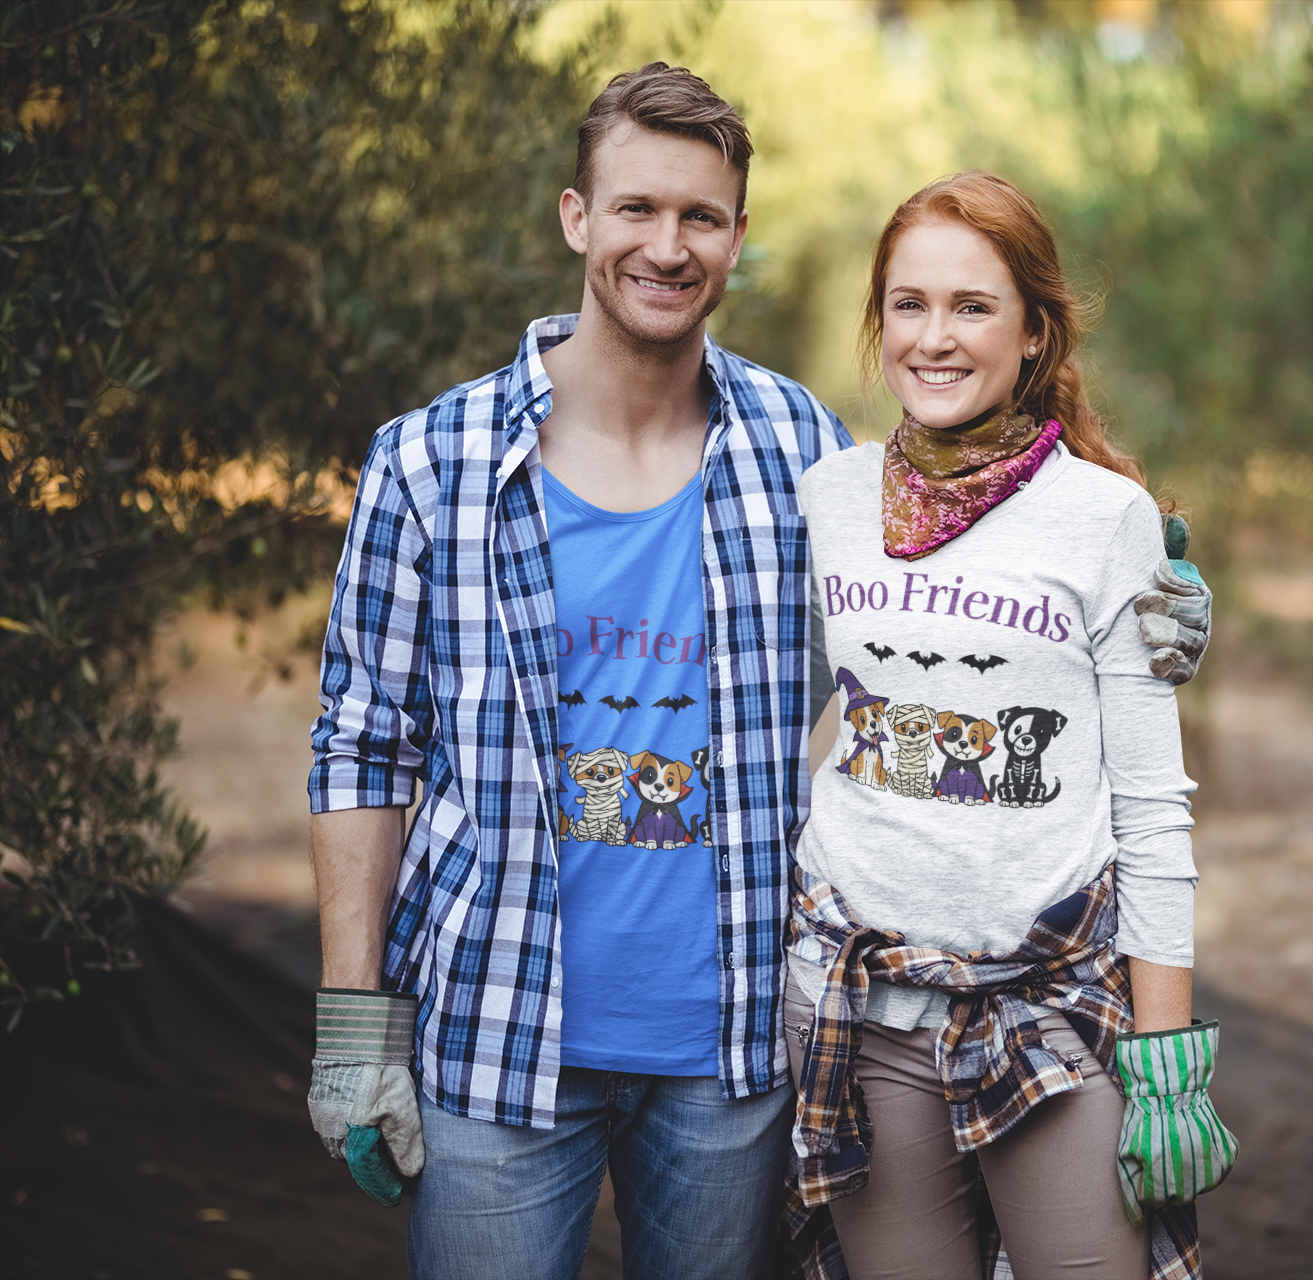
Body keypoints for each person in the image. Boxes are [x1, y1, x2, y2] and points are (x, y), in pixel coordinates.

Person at [302, 67, 1211, 1280]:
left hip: (738, 1053)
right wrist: (354, 1015)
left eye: (702, 218)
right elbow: (362, 741)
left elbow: (946, 597)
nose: (666, 247)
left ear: (737, 238)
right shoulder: (431, 463)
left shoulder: (797, 451)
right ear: (578, 218)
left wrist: (1139, 605)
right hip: (494, 1031)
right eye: (636, 209)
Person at [783, 172, 1234, 1280]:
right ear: (878, 320)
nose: (934, 337)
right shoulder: (828, 500)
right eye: (908, 303)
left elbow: (1149, 802)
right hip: (862, 1008)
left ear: (1035, 333)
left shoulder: (1104, 517)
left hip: (1049, 1013)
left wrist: (1166, 1052)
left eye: (973, 307)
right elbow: (769, 713)